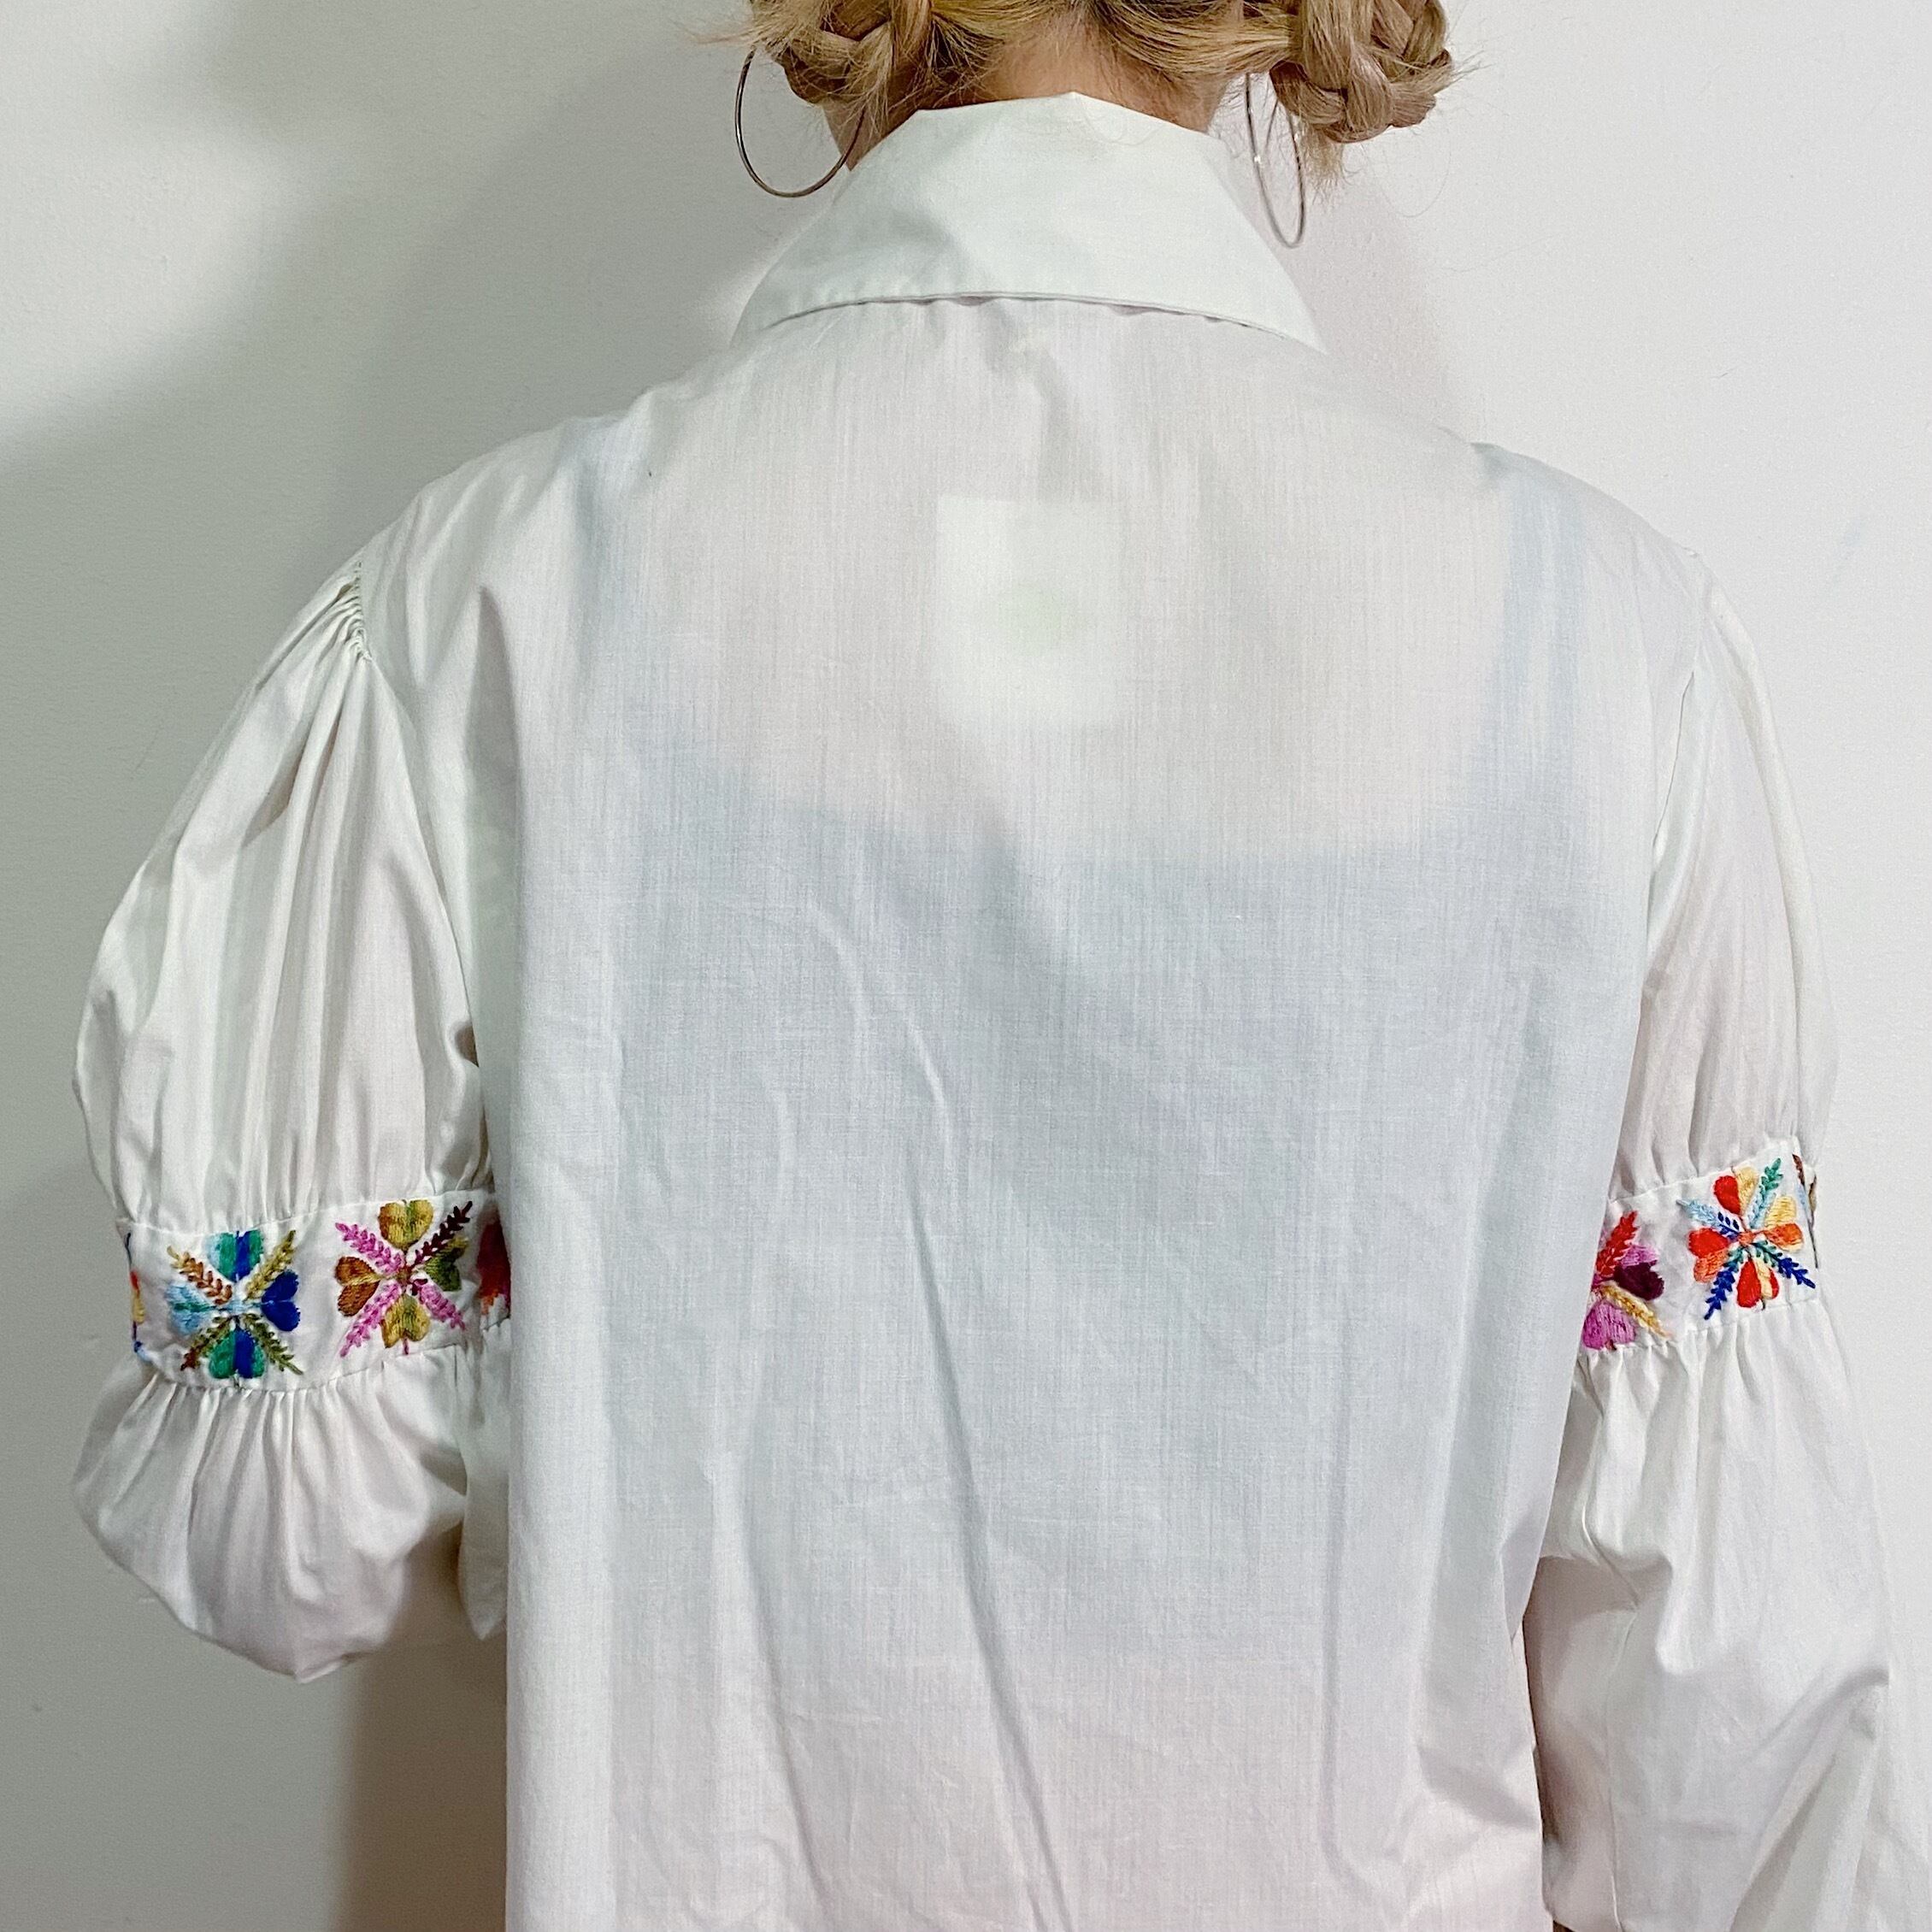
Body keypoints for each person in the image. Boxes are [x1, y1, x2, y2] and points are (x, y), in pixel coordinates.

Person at [68, 1, 1931, 1928]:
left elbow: (282, 1537)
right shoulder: (1601, 649)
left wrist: (635, 1297)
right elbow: (1728, 1716)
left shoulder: (496, 601)